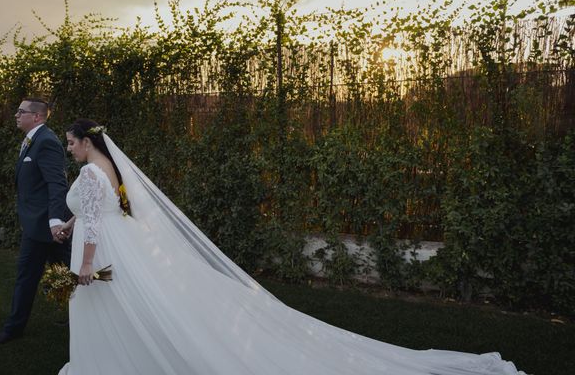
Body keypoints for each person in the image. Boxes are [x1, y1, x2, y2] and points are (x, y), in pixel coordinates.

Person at [57, 118, 526, 375]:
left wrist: (86, 266)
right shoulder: (109, 170)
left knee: (123, 305)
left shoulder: (88, 172)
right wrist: (70, 225)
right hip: (122, 244)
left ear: (84, 142)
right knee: (143, 308)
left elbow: (97, 224)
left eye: (72, 142)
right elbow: (102, 209)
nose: (70, 147)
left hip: (108, 253)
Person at [0, 98, 71, 344]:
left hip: (44, 225)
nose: (16, 115)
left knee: (26, 276)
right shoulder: (34, 139)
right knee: (69, 272)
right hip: (41, 224)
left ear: (37, 117)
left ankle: (12, 329)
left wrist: (54, 220)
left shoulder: (47, 142)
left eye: (21, 112)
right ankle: (83, 317)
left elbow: (57, 184)